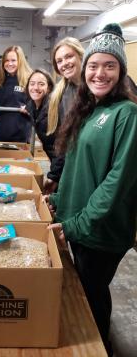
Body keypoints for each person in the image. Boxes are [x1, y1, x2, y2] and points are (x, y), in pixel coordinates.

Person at [48, 23, 137, 357]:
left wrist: (76, 224)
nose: (100, 73)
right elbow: (76, 167)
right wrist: (59, 199)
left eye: (110, 66)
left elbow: (117, 181)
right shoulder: (89, 110)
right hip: (82, 224)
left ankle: (98, 348)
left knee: (91, 296)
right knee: (87, 293)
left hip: (101, 231)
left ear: (121, 72)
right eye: (95, 66)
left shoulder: (127, 113)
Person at [43, 37, 84, 193]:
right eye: (59, 61)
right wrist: (55, 175)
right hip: (73, 165)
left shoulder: (98, 86)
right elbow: (62, 138)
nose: (64, 63)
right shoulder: (62, 94)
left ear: (80, 55)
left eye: (69, 56)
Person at [0, 45, 33, 142]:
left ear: (20, 61)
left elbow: (37, 108)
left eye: (13, 60)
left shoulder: (30, 81)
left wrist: (29, 110)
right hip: (0, 134)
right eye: (6, 60)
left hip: (21, 135)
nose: (9, 64)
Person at [25, 68, 55, 158]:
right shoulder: (32, 106)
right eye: (32, 83)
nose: (35, 88)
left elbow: (59, 147)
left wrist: (54, 171)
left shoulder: (52, 109)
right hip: (52, 155)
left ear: (49, 88)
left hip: (63, 159)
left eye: (41, 84)